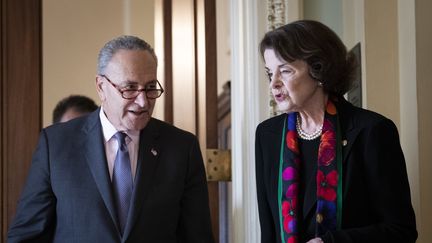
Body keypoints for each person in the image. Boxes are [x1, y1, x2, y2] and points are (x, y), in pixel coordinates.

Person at [8, 35, 215, 243]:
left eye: (150, 87)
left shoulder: (181, 148)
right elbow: (27, 235)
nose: (143, 101)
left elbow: (198, 236)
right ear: (101, 87)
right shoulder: (56, 145)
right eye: (130, 88)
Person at [255, 20, 417, 243]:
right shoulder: (267, 136)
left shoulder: (372, 131)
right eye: (269, 73)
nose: (274, 83)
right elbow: (269, 234)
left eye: (285, 71)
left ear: (318, 69)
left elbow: (401, 231)